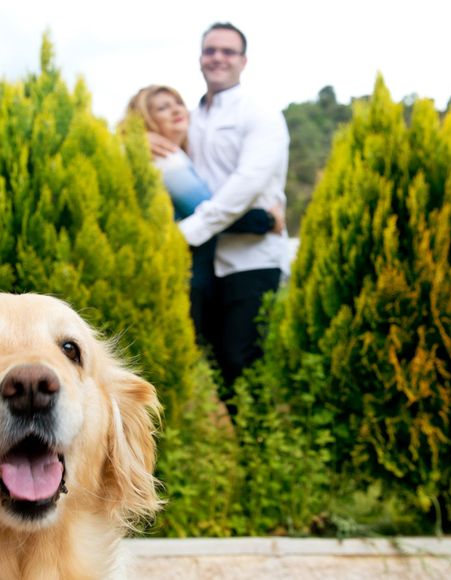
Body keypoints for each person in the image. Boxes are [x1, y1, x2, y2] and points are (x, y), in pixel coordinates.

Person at [149, 23, 290, 412]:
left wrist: (190, 230)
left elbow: (246, 184)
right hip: (207, 263)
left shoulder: (260, 114)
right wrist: (139, 135)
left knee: (241, 361)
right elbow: (171, 157)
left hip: (252, 257)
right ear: (200, 58)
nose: (218, 58)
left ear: (243, 61)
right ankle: (242, 455)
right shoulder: (193, 117)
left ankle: (260, 454)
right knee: (217, 368)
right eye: (211, 50)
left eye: (228, 52)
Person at [124, 84, 283, 343]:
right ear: (146, 119)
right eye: (163, 108)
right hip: (187, 277)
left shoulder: (173, 156)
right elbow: (207, 209)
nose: (176, 110)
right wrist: (266, 220)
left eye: (177, 103)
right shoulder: (167, 161)